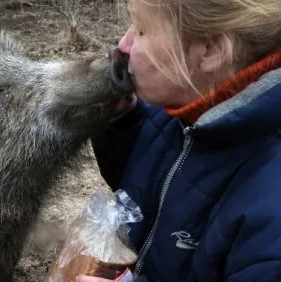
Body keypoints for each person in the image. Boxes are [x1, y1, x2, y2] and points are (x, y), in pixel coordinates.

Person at [77, 0, 281, 281]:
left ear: (210, 50)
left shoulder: (272, 206)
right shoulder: (190, 104)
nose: (123, 45)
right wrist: (123, 123)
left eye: (142, 30)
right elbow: (156, 184)